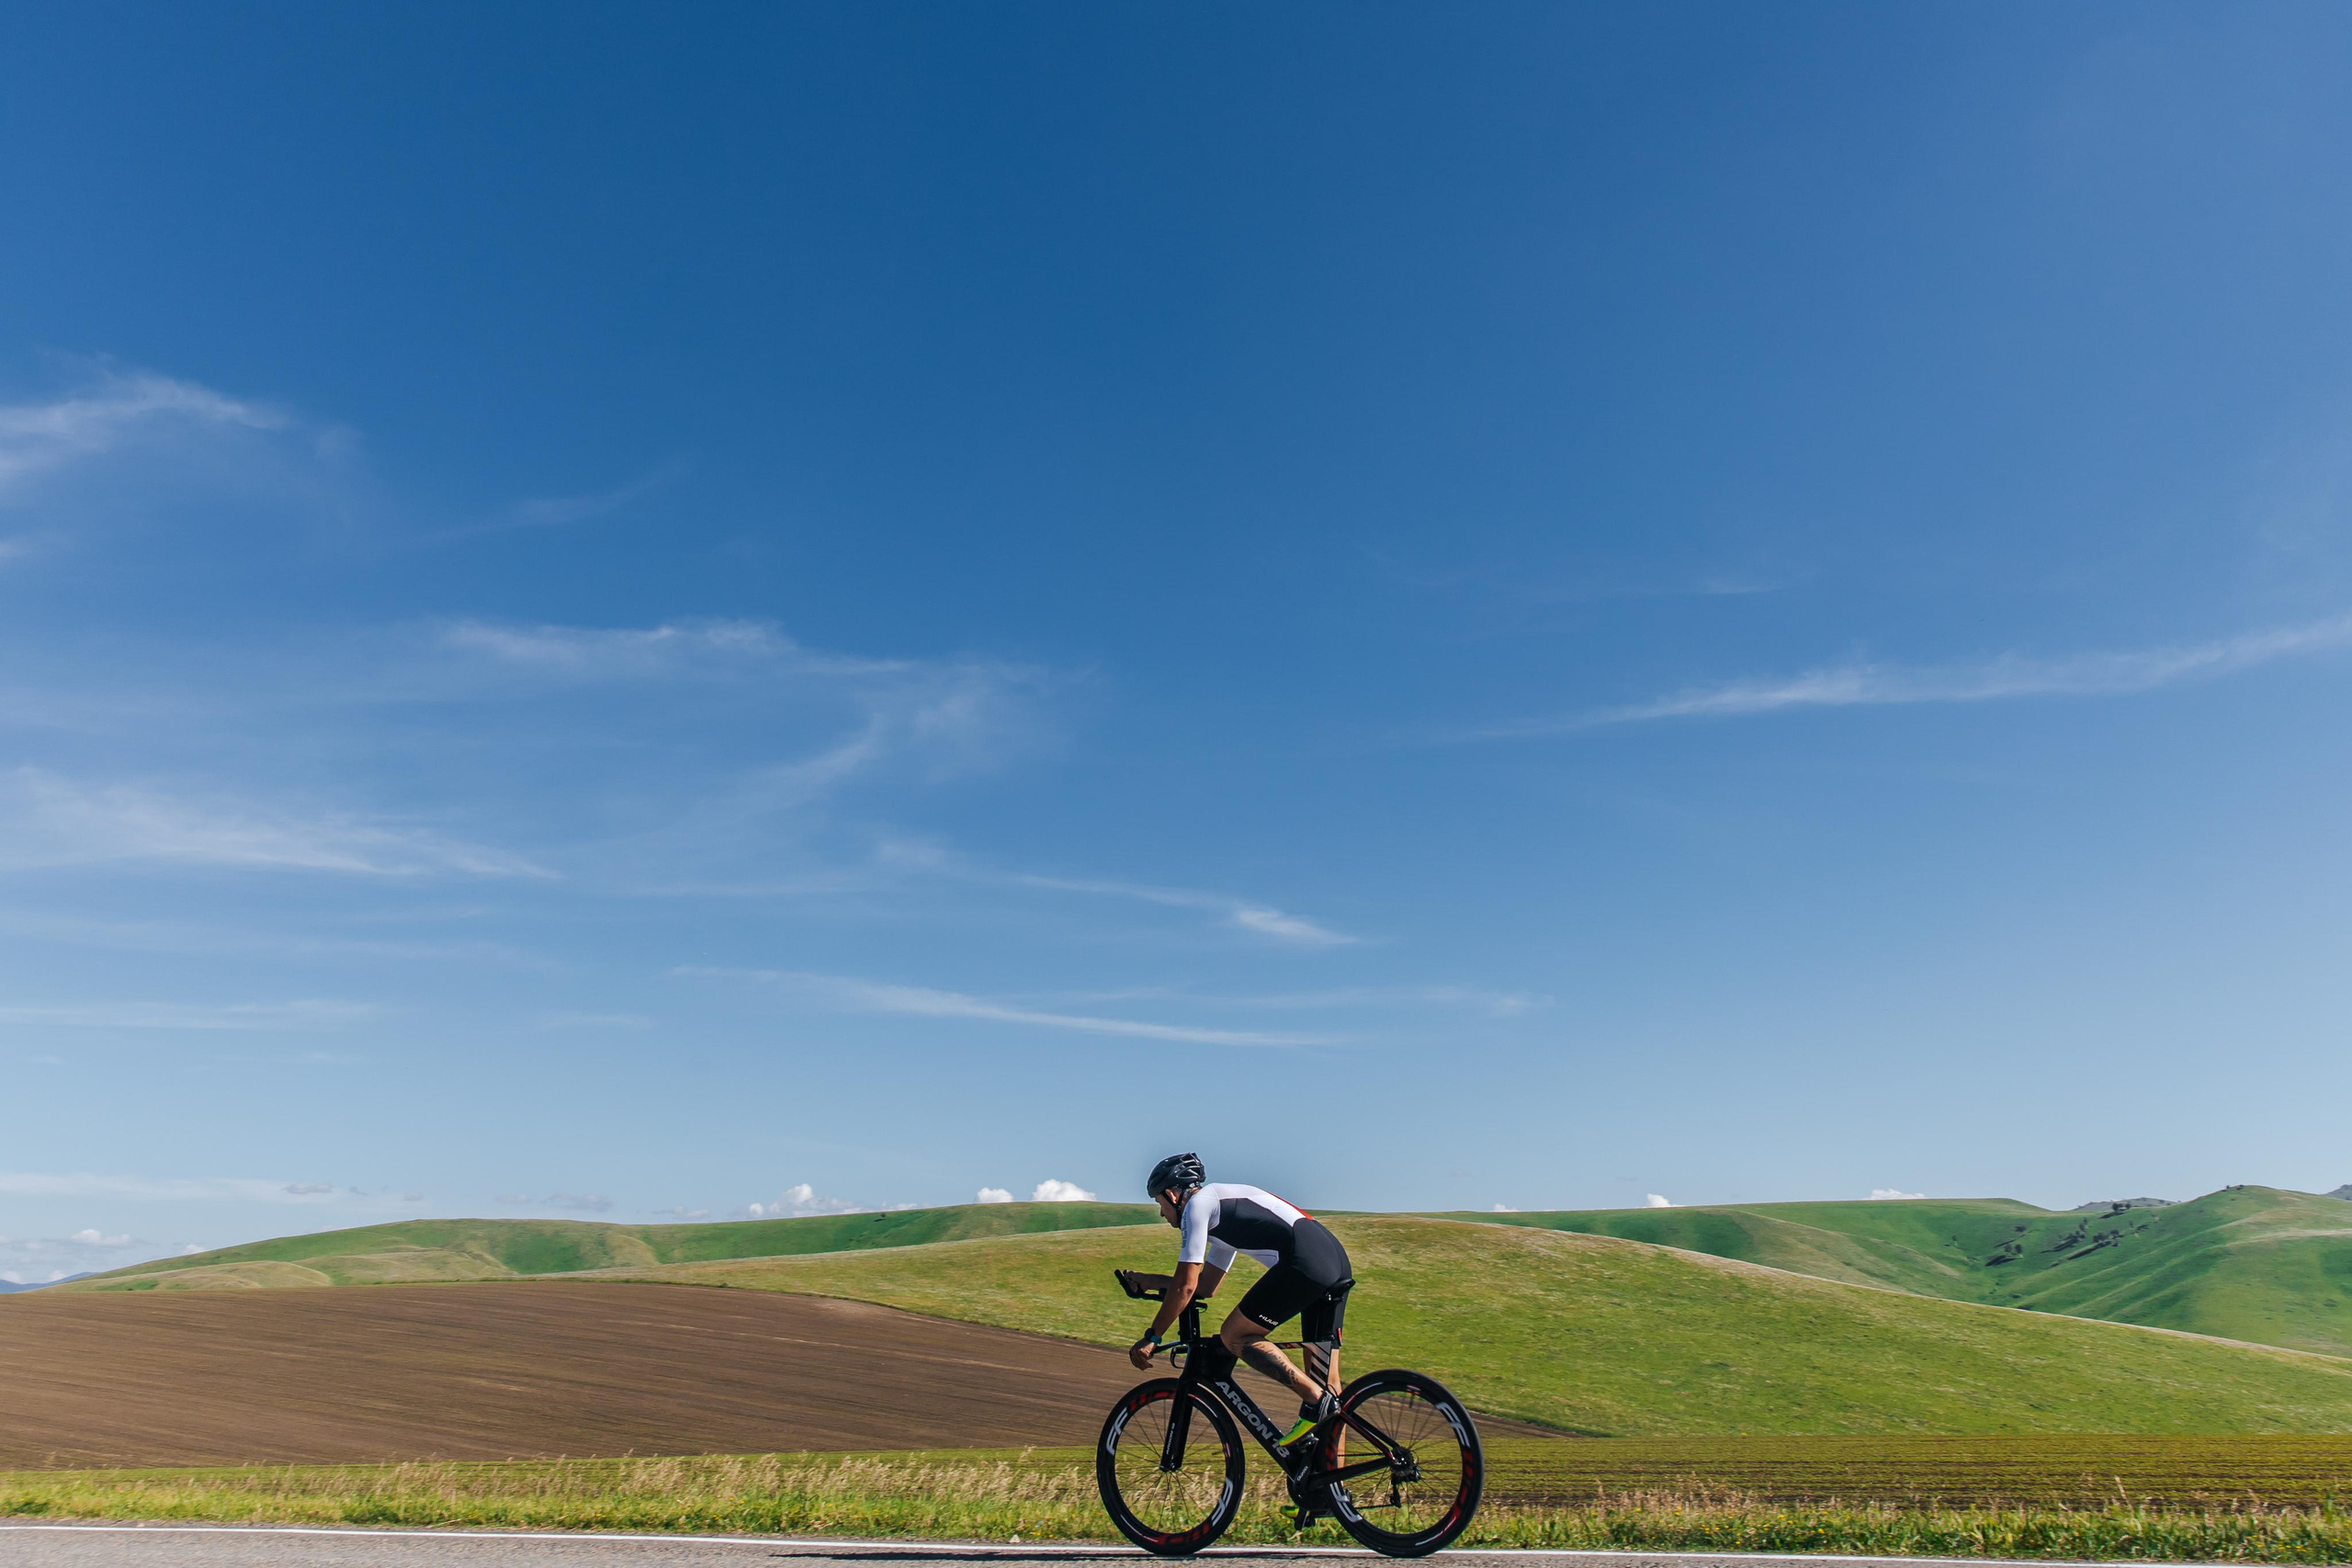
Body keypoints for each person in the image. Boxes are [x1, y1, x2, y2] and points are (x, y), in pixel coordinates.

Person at [1122, 1152, 1352, 1448]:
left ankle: (1312, 1399)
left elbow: (1186, 1288)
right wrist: (1148, 1280)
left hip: (1306, 1263)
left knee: (1235, 1335)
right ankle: (1334, 1481)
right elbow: (1206, 1286)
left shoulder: (1197, 1205)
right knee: (1327, 1384)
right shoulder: (1222, 1212)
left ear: (1172, 1194)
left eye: (1159, 1203)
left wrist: (1152, 1336)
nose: (1161, 1213)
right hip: (1332, 1261)